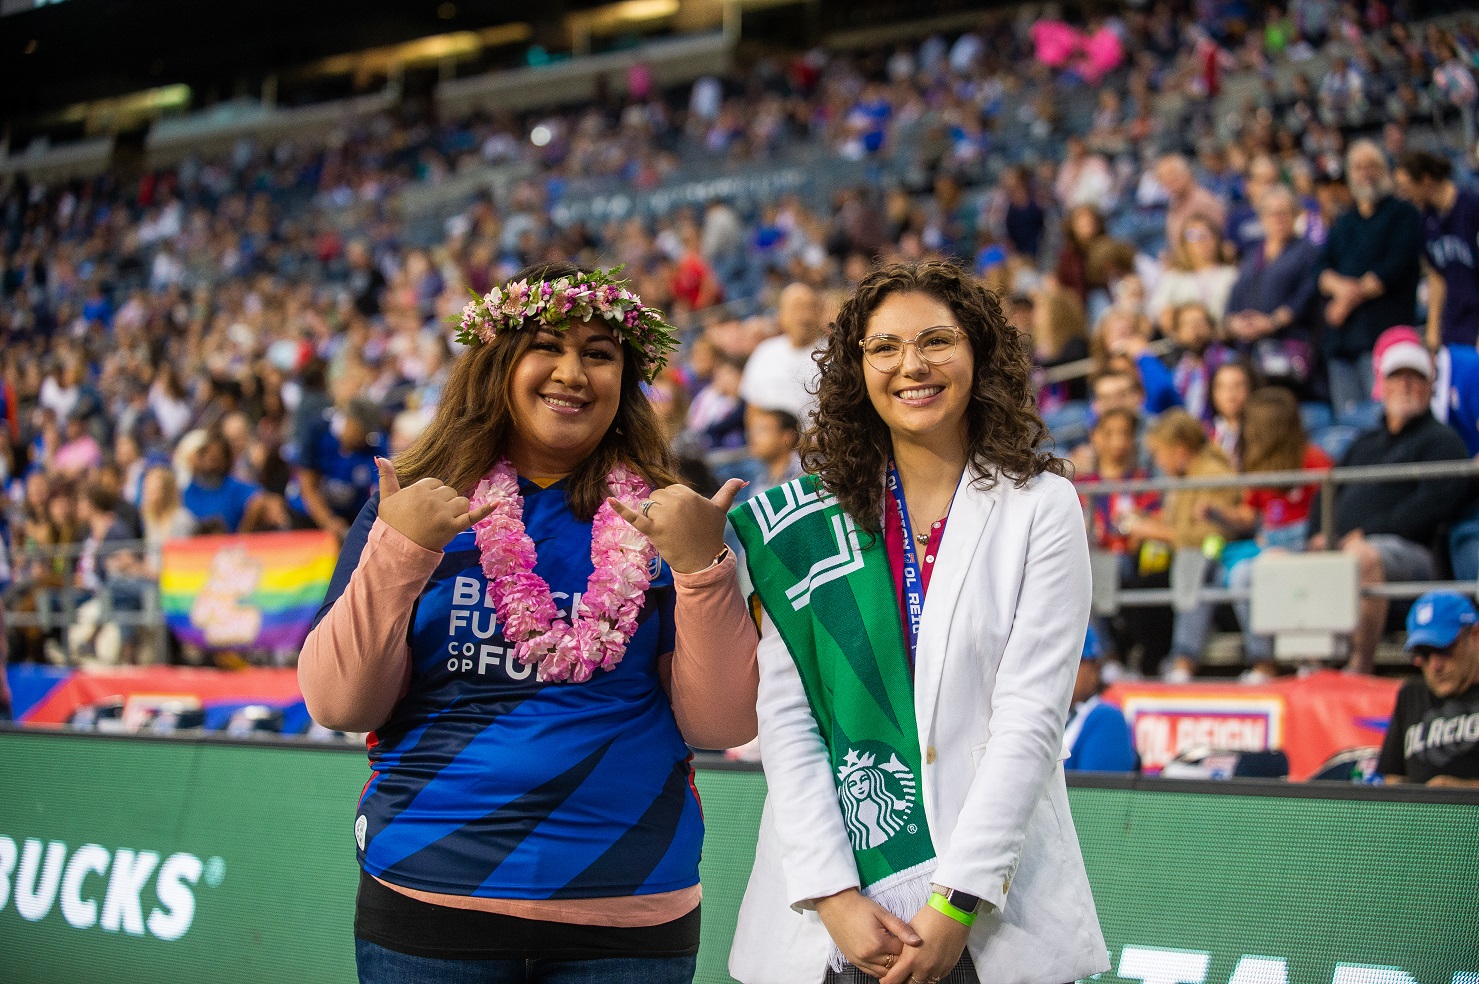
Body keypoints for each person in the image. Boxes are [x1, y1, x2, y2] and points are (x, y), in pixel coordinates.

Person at [298, 264, 760, 983]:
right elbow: (340, 704)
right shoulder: (413, 509)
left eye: (600, 354)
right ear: (496, 365)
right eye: (547, 345)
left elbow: (720, 723)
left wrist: (701, 569)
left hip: (630, 908)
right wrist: (401, 548)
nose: (573, 373)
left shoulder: (670, 520)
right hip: (429, 896)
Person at [729, 261, 1108, 984]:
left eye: (937, 340)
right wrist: (833, 895)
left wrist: (956, 903)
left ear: (978, 353)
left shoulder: (1039, 506)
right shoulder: (805, 520)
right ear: (856, 367)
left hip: (989, 916)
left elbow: (1029, 718)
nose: (912, 366)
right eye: (884, 348)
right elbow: (787, 717)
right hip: (834, 917)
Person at [1309, 339, 1472, 674]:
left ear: (1430, 387)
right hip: (1345, 544)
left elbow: (1431, 506)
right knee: (1274, 563)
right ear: (1382, 386)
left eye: (1415, 377)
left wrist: (1363, 534)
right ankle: (1306, 668)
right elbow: (1325, 493)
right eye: (1397, 377)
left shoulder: (1443, 441)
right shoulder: (1363, 443)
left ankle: (1359, 667)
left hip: (1412, 554)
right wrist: (1318, 534)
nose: (1405, 385)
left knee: (1363, 558)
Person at [1216, 387, 1333, 681]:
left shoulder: (1314, 461)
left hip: (1307, 547)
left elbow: (1330, 515)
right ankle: (1264, 662)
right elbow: (1248, 515)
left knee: (1292, 570)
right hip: (1268, 547)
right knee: (1240, 575)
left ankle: (1312, 659)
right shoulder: (1258, 467)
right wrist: (1216, 514)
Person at [1129, 410, 1242, 681]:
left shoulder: (1214, 474)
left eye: (1159, 453)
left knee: (1191, 562)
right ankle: (1136, 662)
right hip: (1178, 559)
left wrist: (1156, 531)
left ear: (1179, 450)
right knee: (1132, 579)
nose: (1156, 461)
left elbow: (1213, 536)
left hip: (1213, 561)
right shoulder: (1181, 478)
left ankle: (1183, 660)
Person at [1317, 140, 1424, 420]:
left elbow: (1393, 268)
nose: (1365, 173)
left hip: (1383, 337)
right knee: (1348, 425)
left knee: (1380, 418)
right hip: (1341, 342)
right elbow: (1321, 269)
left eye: (1372, 166)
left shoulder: (1403, 213)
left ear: (1385, 170)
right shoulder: (1344, 221)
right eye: (1358, 167)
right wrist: (1340, 289)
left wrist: (1345, 300)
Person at [1376, 591, 1479, 786]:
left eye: (1443, 649)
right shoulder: (1411, 695)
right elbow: (1391, 778)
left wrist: (1462, 792)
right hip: (1420, 815)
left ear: (1475, 636)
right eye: (1423, 654)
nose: (1434, 666)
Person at [1393, 149, 1479, 348]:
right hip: (1455, 322)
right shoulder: (1426, 220)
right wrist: (1433, 329)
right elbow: (1436, 274)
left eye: (1407, 187)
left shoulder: (1472, 207)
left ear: (1426, 180)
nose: (1404, 195)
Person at [739, 282, 826, 420]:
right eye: (795, 309)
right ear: (781, 315)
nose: (802, 317)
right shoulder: (764, 353)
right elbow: (752, 410)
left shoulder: (831, 354)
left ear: (818, 313)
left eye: (808, 308)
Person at [1064, 628, 1137, 773]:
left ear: (1094, 669)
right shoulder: (1061, 715)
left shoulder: (1107, 717)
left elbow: (1096, 792)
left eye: (1071, 662)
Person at [182, 430, 265, 534]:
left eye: (215, 457)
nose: (210, 462)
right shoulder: (188, 492)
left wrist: (242, 536)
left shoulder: (234, 487)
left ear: (226, 460)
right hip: (196, 546)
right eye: (205, 455)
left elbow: (258, 500)